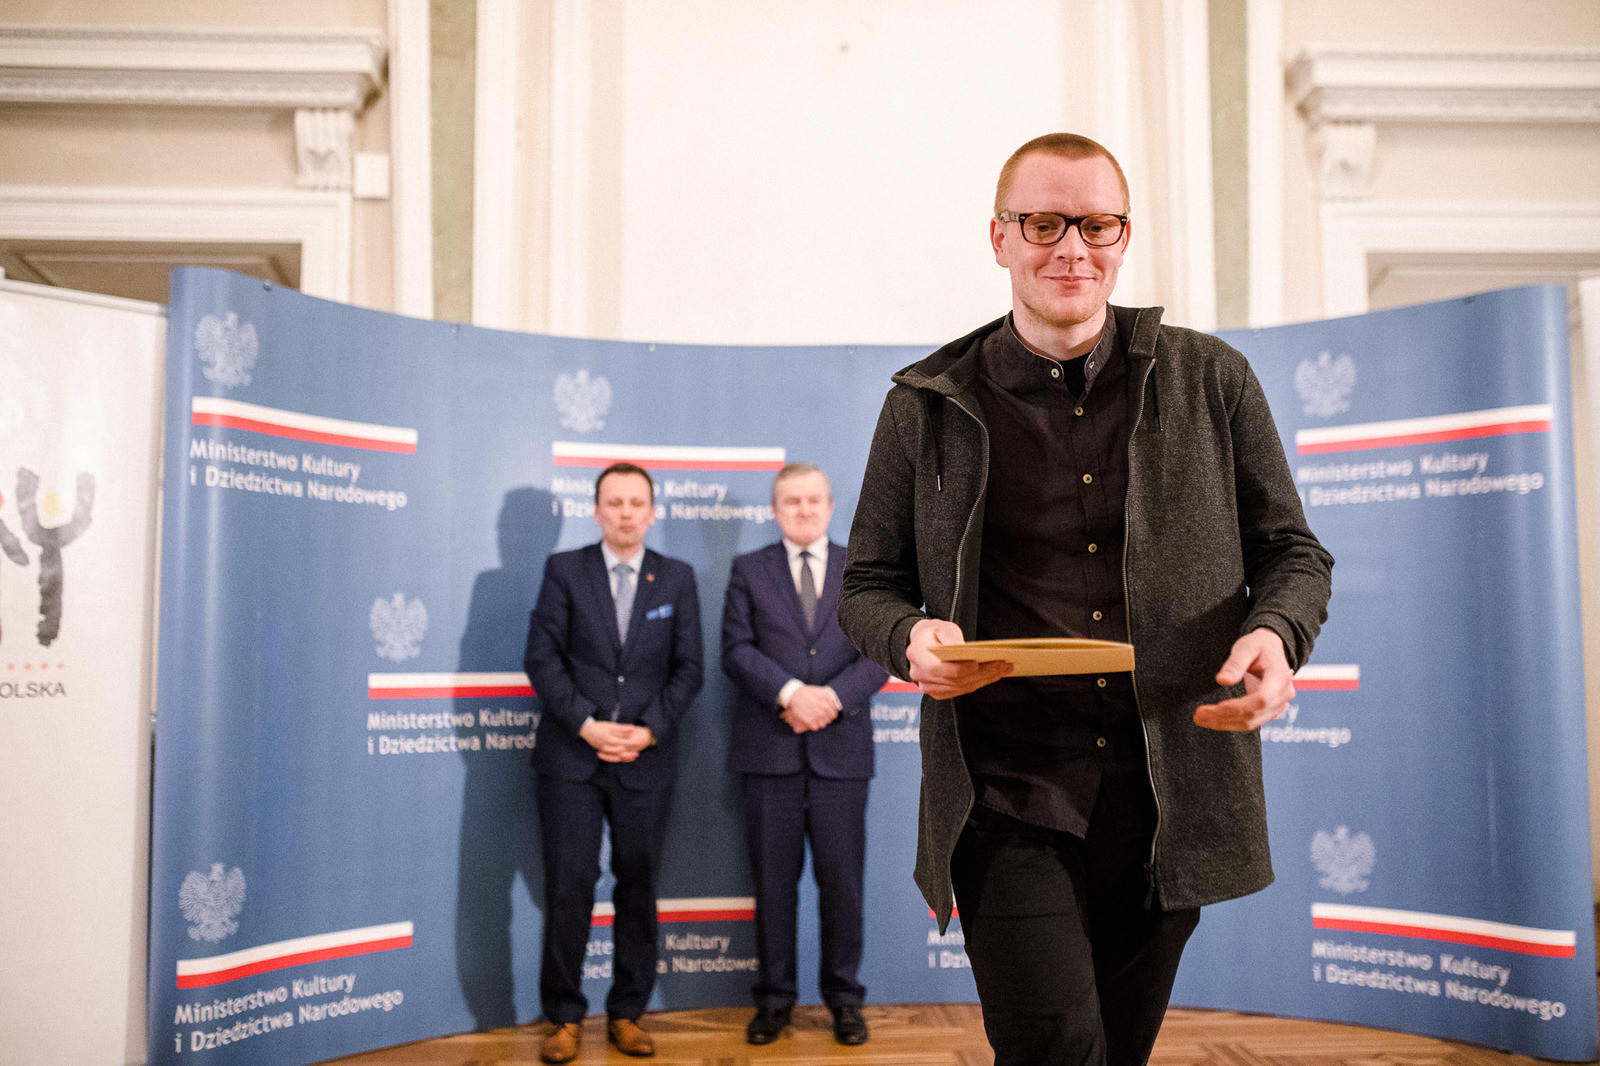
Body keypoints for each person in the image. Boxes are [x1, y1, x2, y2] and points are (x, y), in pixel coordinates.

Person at [837, 133, 1334, 1066]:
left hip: (1168, 795)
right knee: (1057, 1046)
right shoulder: (924, 404)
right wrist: (908, 638)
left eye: (1096, 225)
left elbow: (1292, 553)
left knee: (1117, 1049)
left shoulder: (1213, 379)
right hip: (1006, 793)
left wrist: (1276, 632)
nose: (1072, 247)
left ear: (1123, 236)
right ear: (999, 237)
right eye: (1044, 223)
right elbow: (867, 585)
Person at [524, 462, 703, 1063]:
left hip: (646, 760)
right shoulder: (564, 570)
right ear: (596, 510)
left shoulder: (676, 577)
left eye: (635, 503)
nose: (625, 512)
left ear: (652, 513)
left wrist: (648, 731)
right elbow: (542, 657)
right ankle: (564, 1018)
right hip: (571, 757)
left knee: (638, 887)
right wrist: (587, 724)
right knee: (569, 887)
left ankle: (627, 1013)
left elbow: (689, 669)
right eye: (614, 502)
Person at [721, 463, 890, 1047]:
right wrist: (791, 694)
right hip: (770, 754)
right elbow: (736, 649)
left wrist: (831, 700)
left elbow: (879, 650)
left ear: (830, 505)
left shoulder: (861, 570)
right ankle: (773, 1001)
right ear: (775, 510)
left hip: (841, 756)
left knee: (843, 886)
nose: (804, 510)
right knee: (773, 887)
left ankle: (844, 999)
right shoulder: (749, 570)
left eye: (813, 499)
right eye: (791, 501)